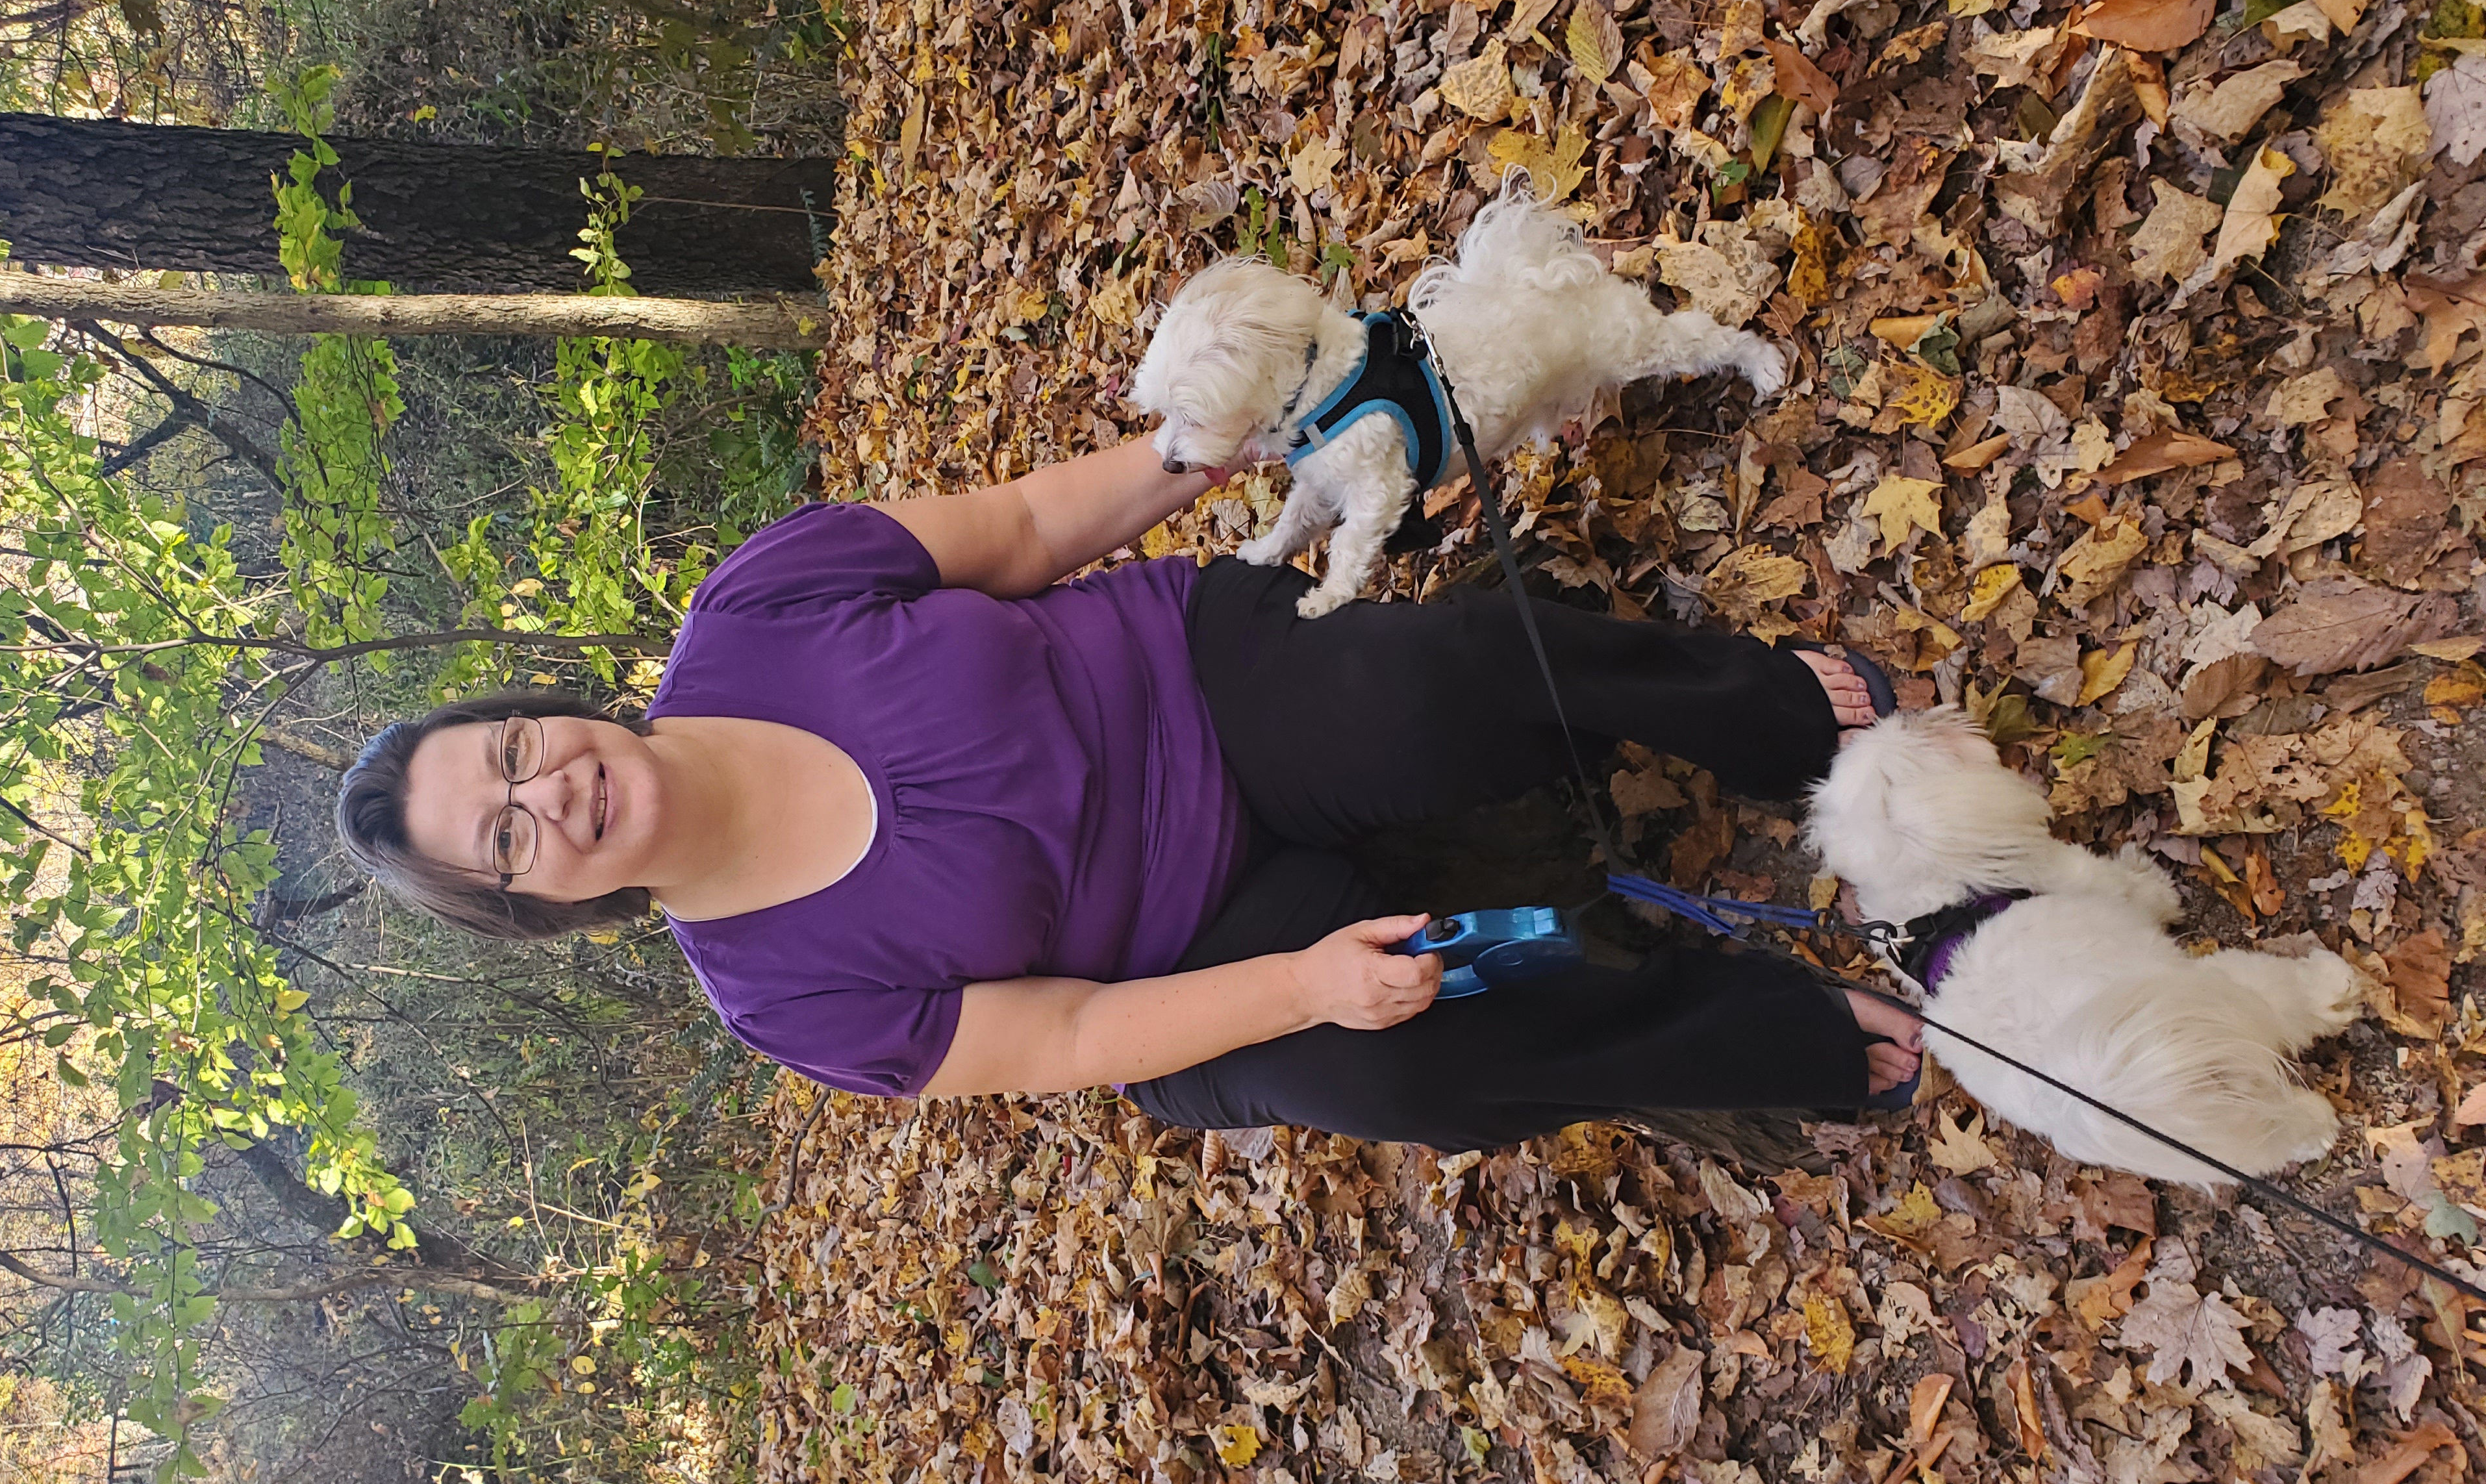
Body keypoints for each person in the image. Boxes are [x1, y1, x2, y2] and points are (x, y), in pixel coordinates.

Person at [335, 438, 1921, 1151]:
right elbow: (1074, 1037)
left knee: (1435, 693)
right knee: (1408, 1074)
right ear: (533, 904)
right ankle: (1764, 1041)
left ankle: (1774, 720)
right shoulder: (779, 996)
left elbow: (1023, 531)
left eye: (515, 753)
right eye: (509, 836)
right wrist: (1304, 984)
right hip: (1194, 947)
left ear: (542, 709)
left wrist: (1202, 443)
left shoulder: (756, 610)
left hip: (1195, 685)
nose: (551, 793)